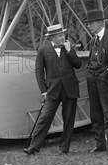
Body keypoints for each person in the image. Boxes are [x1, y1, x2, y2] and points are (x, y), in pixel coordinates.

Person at [24, 24, 82, 155]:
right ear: (52, 37)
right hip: (52, 90)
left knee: (68, 120)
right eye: (60, 35)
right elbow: (39, 72)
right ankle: (33, 147)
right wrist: (43, 90)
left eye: (63, 34)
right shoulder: (43, 50)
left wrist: (70, 50)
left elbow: (78, 65)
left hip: (70, 88)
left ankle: (64, 148)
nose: (63, 37)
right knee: (44, 118)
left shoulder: (68, 47)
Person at [84, 9, 108, 154]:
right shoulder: (93, 41)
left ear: (99, 23)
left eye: (91, 23)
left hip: (105, 80)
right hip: (92, 80)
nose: (89, 26)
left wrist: (107, 72)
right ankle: (100, 144)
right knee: (95, 113)